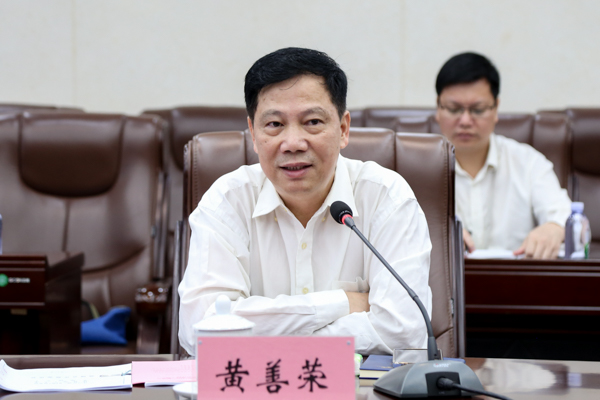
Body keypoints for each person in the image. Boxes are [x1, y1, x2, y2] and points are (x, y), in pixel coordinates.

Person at [178, 47, 432, 356]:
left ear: (343, 129)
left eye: (312, 121)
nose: (293, 143)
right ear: (253, 134)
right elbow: (200, 331)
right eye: (275, 125)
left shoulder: (386, 198)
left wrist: (265, 332)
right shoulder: (228, 202)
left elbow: (405, 331)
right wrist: (341, 303)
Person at [435, 52, 571, 259]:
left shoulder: (528, 163)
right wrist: (435, 234)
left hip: (517, 277)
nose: (465, 121)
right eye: (454, 109)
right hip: (442, 279)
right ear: (438, 108)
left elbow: (566, 216)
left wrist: (554, 228)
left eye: (478, 110)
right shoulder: (418, 168)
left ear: (496, 108)